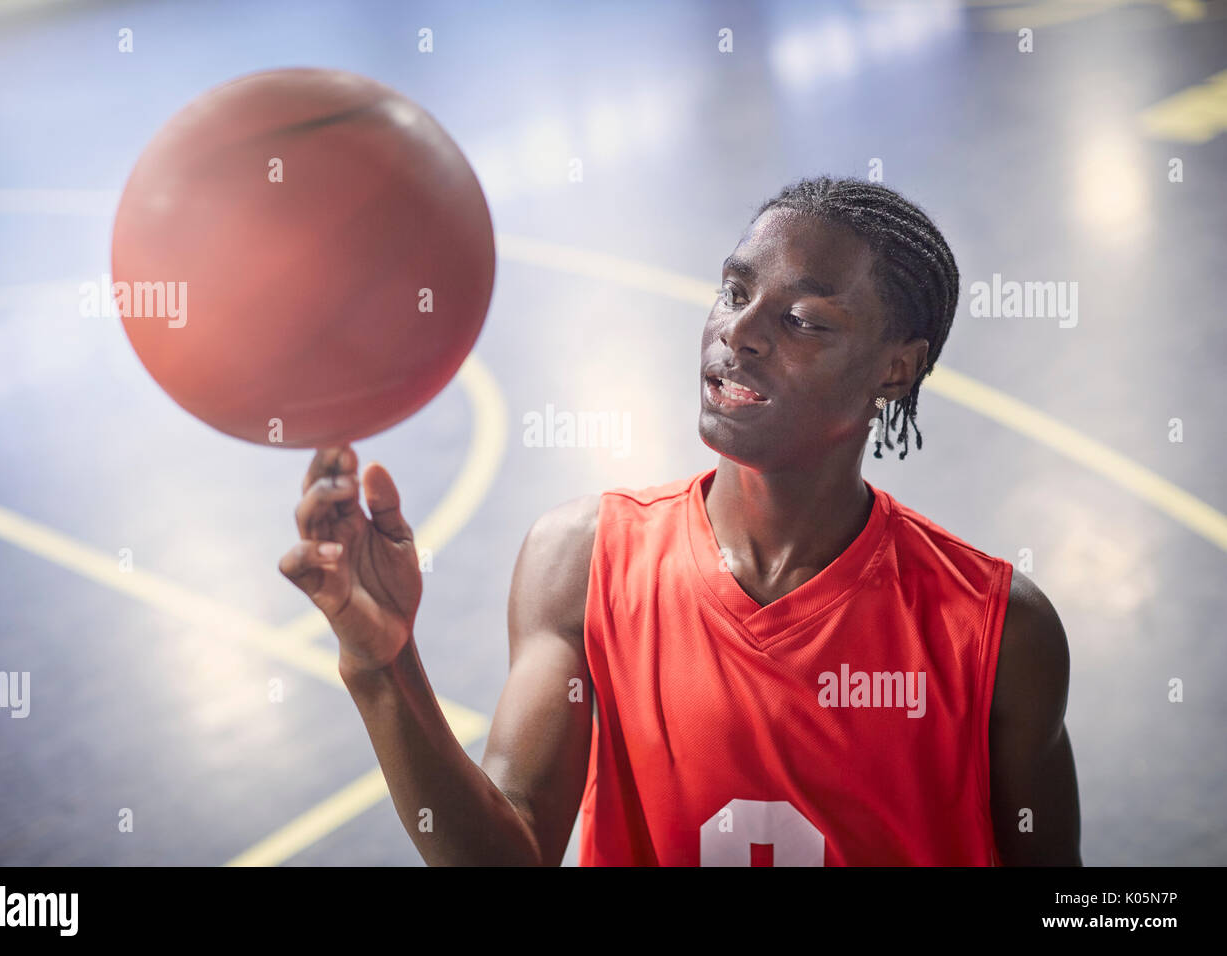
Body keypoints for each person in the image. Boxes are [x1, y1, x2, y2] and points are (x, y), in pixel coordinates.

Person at [279, 176, 1082, 866]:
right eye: (735, 293)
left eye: (802, 319)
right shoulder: (582, 563)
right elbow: (512, 848)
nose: (738, 332)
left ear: (896, 369)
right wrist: (384, 664)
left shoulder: (998, 632)